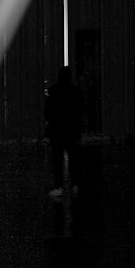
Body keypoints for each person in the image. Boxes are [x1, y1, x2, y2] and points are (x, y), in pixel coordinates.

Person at [43, 65, 83, 198]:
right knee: (73, 159)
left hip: (58, 131)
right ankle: (75, 185)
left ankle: (59, 186)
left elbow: (47, 112)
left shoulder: (53, 91)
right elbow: (79, 112)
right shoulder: (76, 92)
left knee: (57, 161)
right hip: (71, 130)